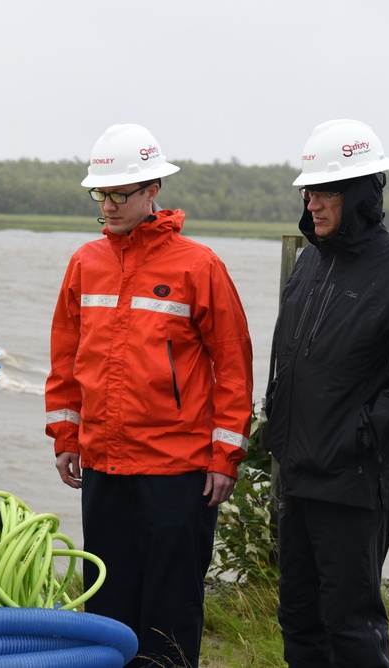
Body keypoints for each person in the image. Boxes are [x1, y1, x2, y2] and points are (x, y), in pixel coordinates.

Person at [45, 123, 254, 667]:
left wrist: (225, 456)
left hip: (176, 469)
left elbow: (233, 365)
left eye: (120, 193)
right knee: (107, 609)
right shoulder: (84, 262)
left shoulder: (199, 265)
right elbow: (65, 359)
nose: (108, 205)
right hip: (104, 466)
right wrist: (66, 435)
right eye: (101, 193)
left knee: (170, 611)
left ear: (152, 190)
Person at [264, 119, 389, 666]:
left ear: (362, 192)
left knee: (350, 621)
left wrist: (363, 435)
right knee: (298, 614)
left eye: (324, 191)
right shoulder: (310, 262)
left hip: (353, 480)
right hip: (298, 474)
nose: (312, 202)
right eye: (307, 190)